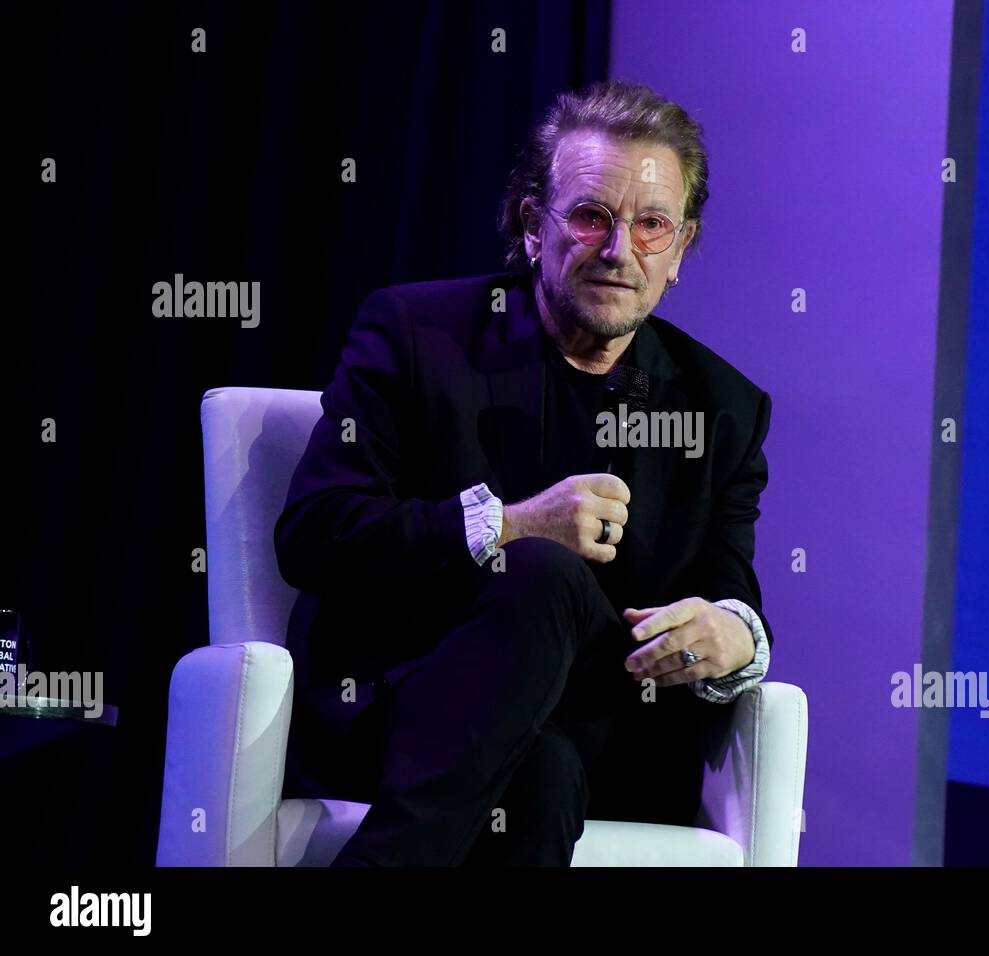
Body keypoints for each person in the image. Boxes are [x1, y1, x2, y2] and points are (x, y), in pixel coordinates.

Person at [274, 79, 774, 866]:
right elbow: (314, 534)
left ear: (681, 251)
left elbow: (732, 592)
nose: (618, 251)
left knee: (544, 769)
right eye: (589, 216)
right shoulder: (416, 334)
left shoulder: (722, 409)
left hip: (597, 738)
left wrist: (736, 638)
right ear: (532, 225)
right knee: (539, 608)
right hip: (401, 712)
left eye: (651, 226)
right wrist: (507, 524)